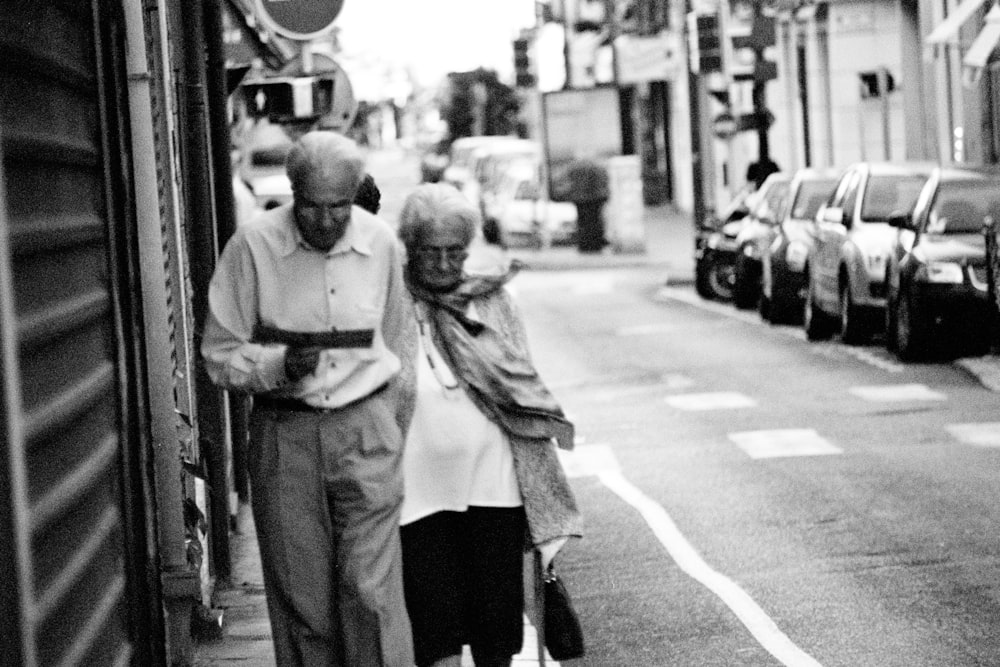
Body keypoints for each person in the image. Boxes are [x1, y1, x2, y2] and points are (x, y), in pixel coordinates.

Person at [202, 131, 414, 666]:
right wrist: (276, 365)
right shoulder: (253, 247)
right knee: (304, 603)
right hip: (285, 433)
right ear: (294, 192)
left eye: (339, 206)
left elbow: (399, 345)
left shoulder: (381, 244)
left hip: (365, 428)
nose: (325, 220)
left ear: (354, 195)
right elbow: (218, 353)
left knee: (371, 593)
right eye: (312, 207)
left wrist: (389, 425)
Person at [395, 183, 583, 667]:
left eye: (454, 253)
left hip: (494, 488)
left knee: (496, 628)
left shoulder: (495, 302)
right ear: (409, 248)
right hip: (415, 494)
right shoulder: (390, 304)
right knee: (434, 628)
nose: (441, 265)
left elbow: (522, 386)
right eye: (429, 252)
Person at [559, 157, 610, 253]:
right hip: (595, 198)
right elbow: (603, 181)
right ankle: (595, 244)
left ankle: (584, 244)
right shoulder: (597, 167)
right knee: (595, 221)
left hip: (579, 198)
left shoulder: (573, 167)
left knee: (582, 221)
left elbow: (566, 181)